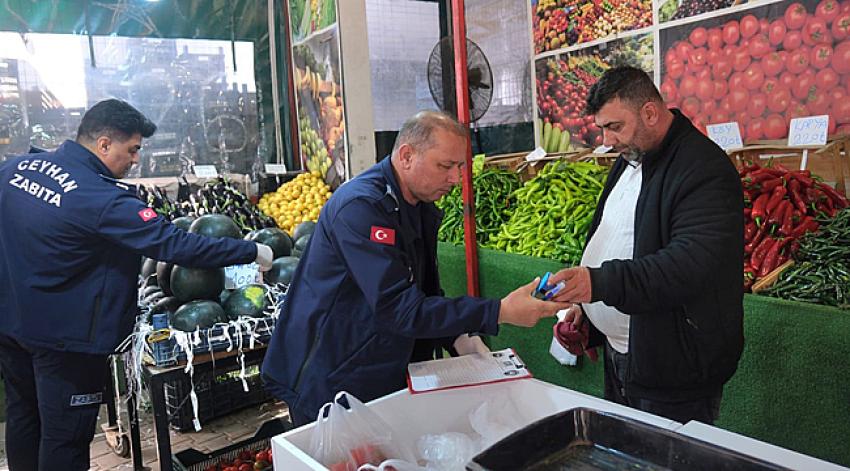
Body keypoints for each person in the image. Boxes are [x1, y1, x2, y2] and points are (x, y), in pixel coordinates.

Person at [0, 99, 275, 470]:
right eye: (131, 150)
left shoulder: (15, 169)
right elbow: (177, 244)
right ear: (103, 144)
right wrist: (250, 250)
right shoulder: (100, 198)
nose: (134, 161)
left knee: (24, 416)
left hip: (11, 324)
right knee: (64, 437)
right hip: (65, 342)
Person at [262, 111, 567, 425]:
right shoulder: (361, 208)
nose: (455, 178)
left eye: (460, 166)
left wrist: (458, 336)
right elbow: (400, 308)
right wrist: (499, 311)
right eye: (445, 166)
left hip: (379, 368)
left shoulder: (418, 205)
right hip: (331, 377)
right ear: (406, 156)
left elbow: (419, 287)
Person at [549, 66, 744, 425]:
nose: (607, 140)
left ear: (650, 113)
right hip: (624, 355)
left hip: (676, 369)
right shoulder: (630, 159)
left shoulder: (704, 169)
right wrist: (589, 314)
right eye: (603, 128)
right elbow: (613, 233)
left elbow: (687, 265)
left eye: (615, 127)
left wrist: (599, 284)